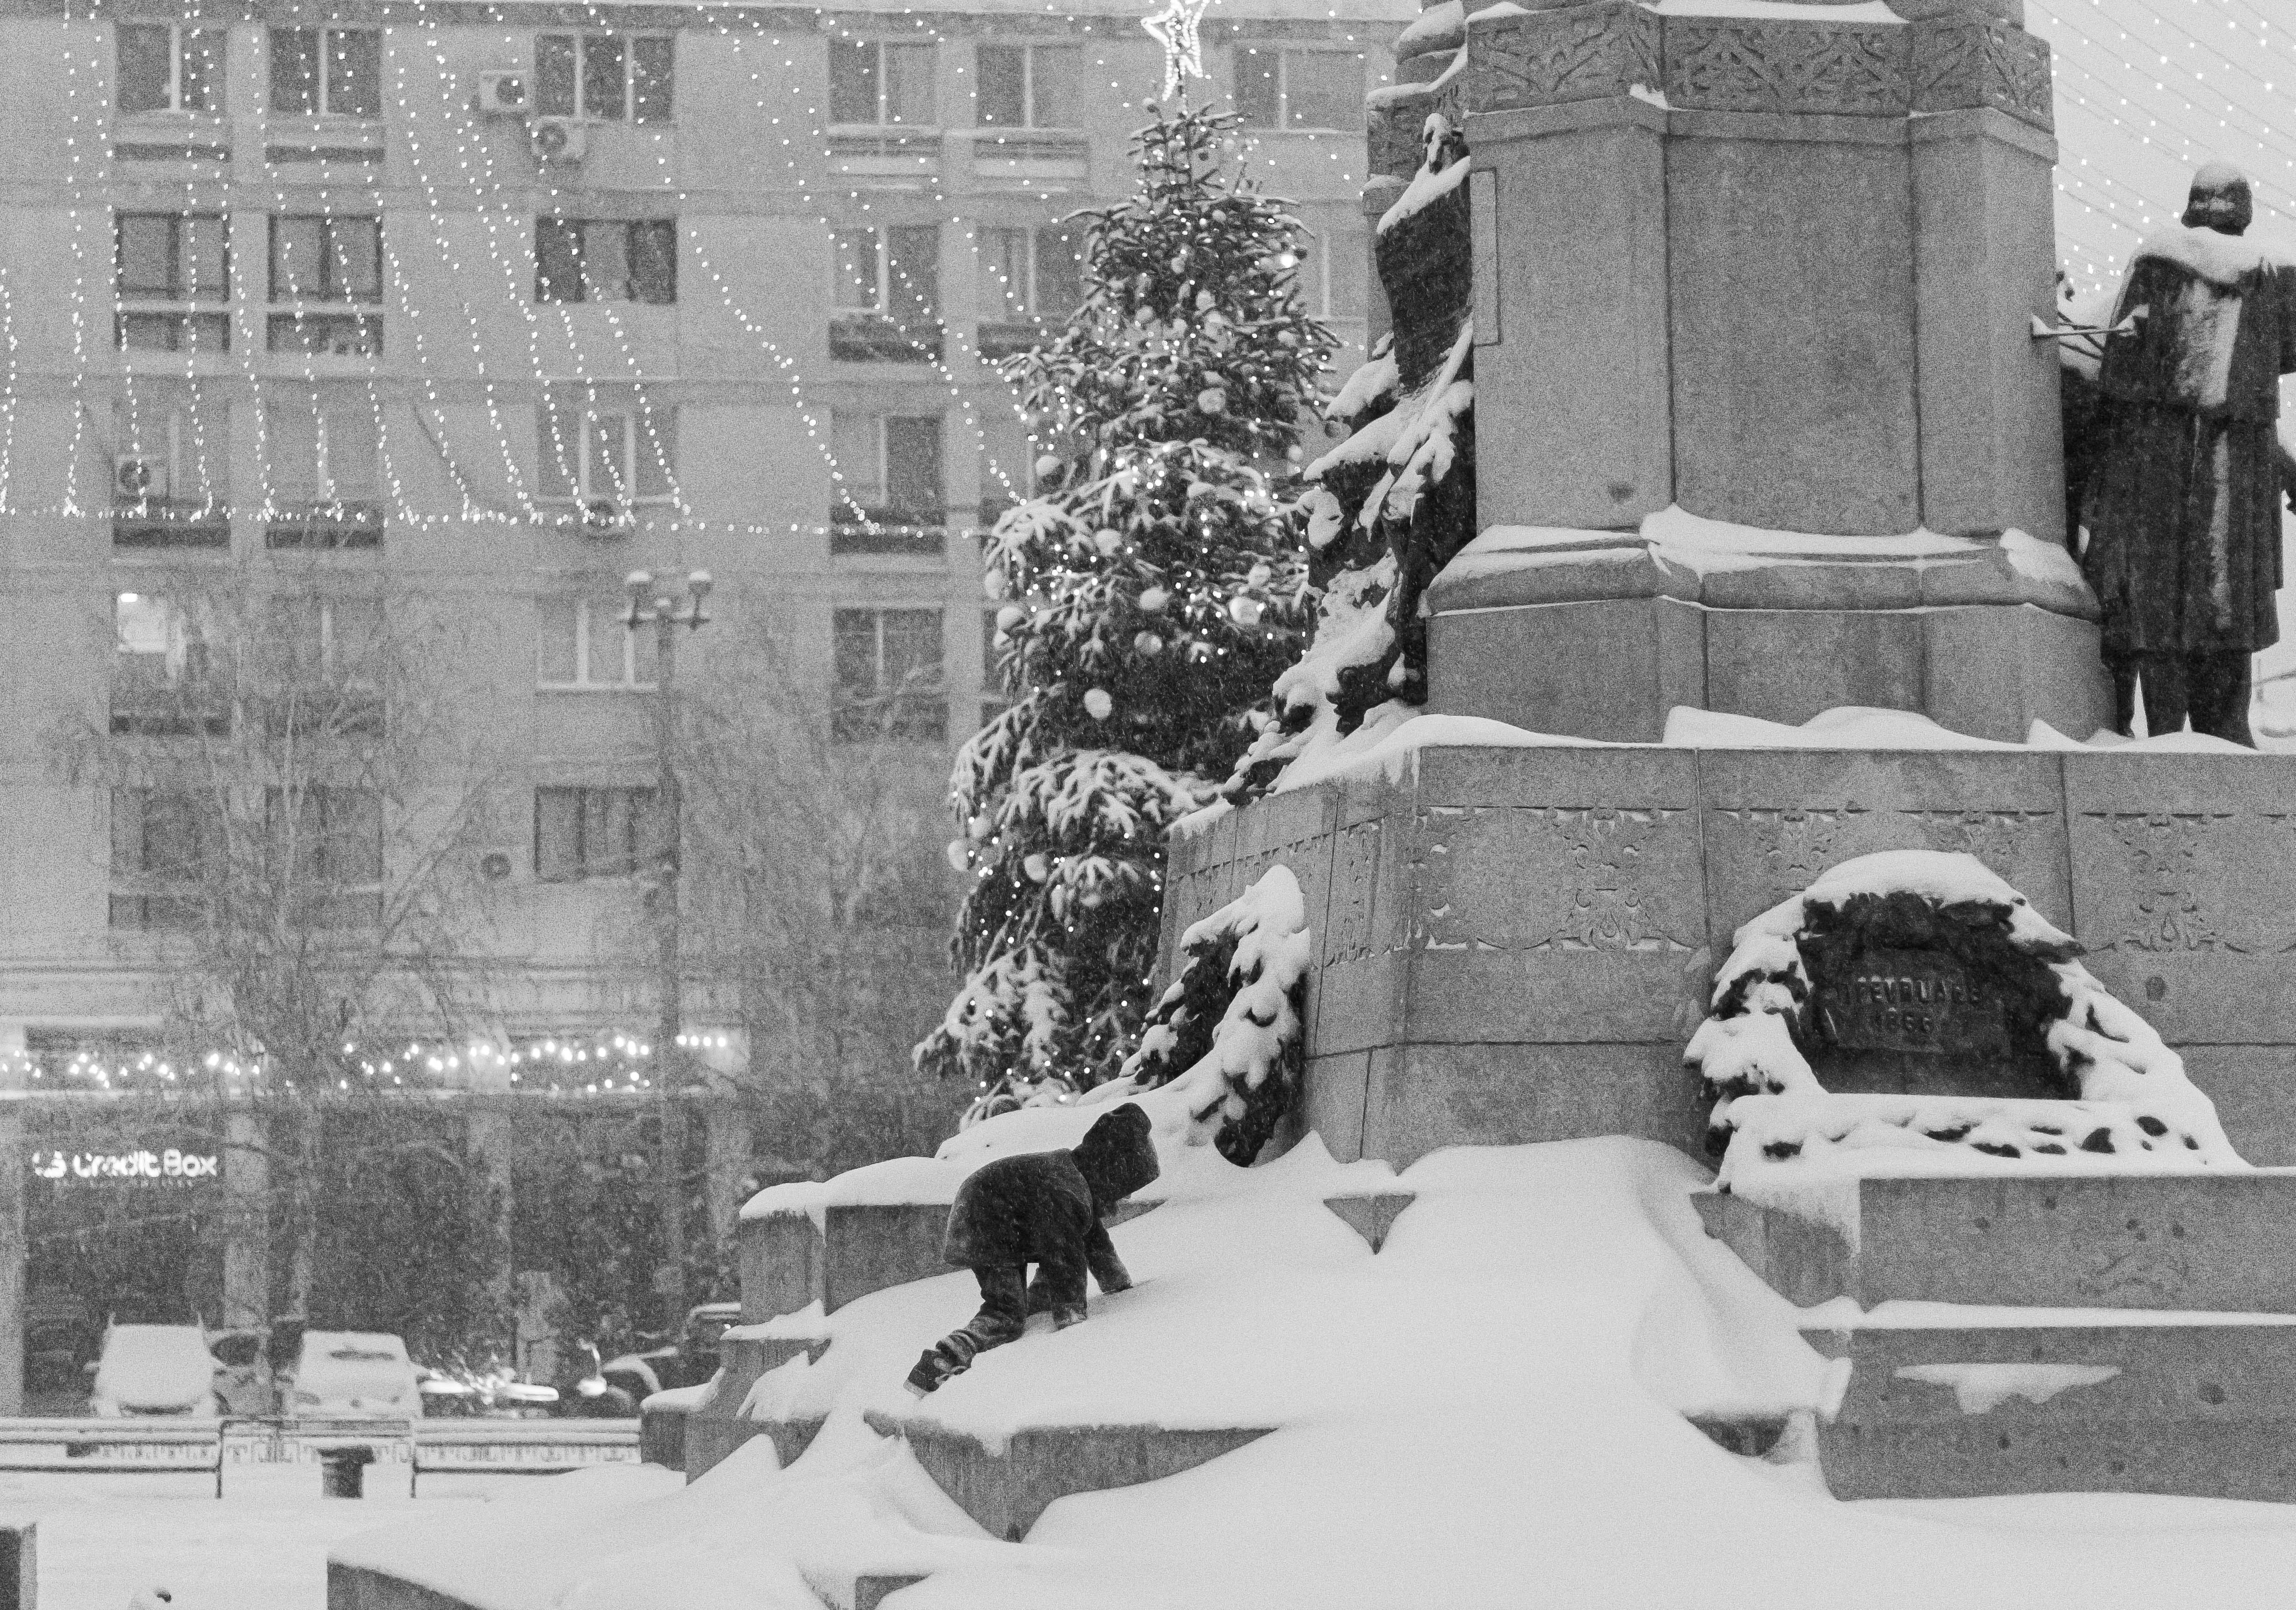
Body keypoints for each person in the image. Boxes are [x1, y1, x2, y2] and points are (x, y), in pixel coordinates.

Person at [2082, 162, 2296, 746]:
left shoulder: (2157, 264)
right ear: (2244, 213)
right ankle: (2218, 731)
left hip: (2160, 470)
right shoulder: (2271, 275)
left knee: (2162, 610)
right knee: (2227, 613)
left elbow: (2115, 379)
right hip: (2234, 473)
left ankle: (2174, 730)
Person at [905, 1102, 1159, 1397]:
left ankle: (1035, 1311)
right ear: (1110, 1174)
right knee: (1007, 1312)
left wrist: (1118, 1284)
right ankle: (943, 1360)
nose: (1126, 1196)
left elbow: (1093, 1239)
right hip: (987, 1223)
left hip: (1002, 1220)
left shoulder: (1073, 1176)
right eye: (1125, 1187)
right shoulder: (1067, 1189)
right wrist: (1071, 1316)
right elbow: (1064, 1255)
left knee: (1043, 1290)